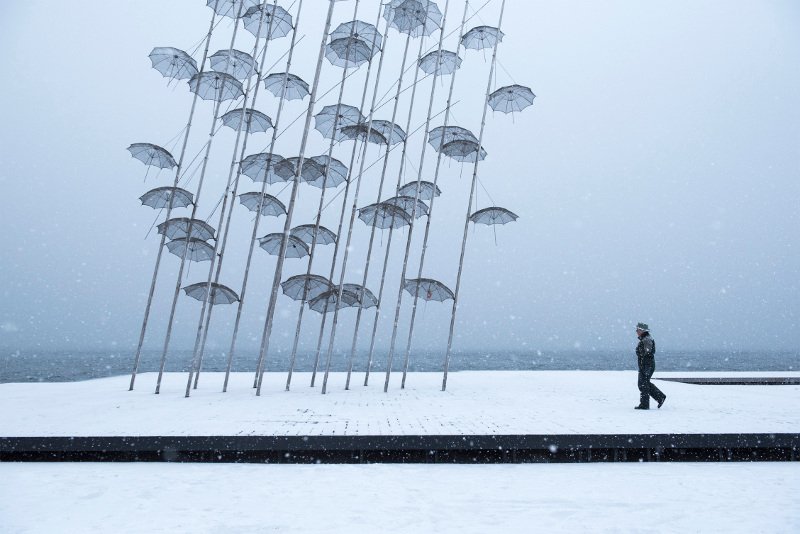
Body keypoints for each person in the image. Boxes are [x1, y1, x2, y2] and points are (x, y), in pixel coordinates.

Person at [634, 322, 666, 410]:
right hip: (645, 365)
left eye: (638, 330)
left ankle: (645, 404)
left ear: (642, 331)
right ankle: (660, 397)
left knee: (643, 384)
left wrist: (641, 356)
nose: (636, 331)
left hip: (647, 365)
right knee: (644, 383)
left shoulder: (646, 339)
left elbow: (647, 352)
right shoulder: (645, 339)